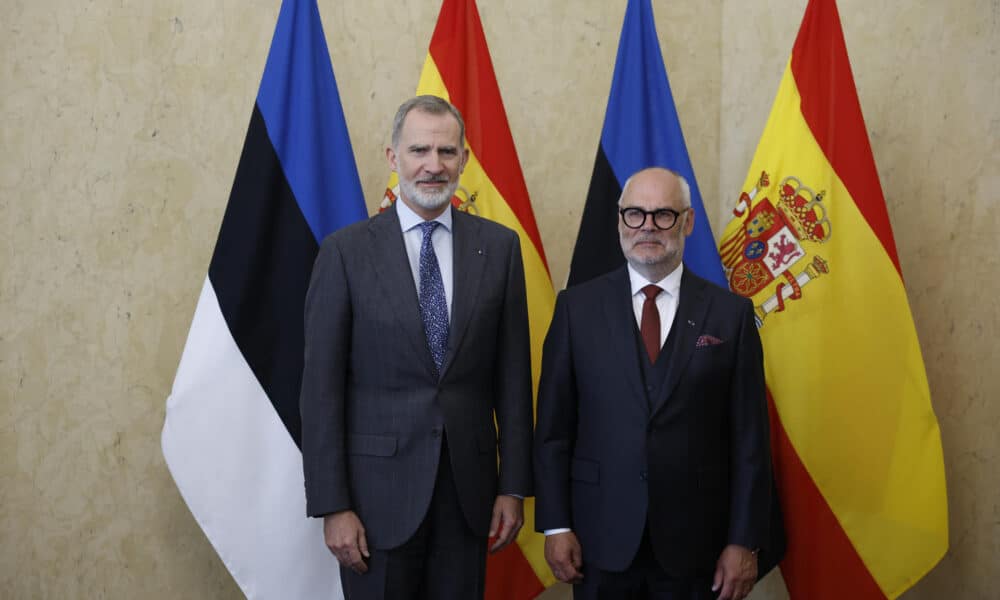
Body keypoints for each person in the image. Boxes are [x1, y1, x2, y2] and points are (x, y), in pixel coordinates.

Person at [300, 95, 534, 599]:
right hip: (372, 503)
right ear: (393, 158)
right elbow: (320, 392)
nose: (433, 165)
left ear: (464, 159)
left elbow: (513, 381)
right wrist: (332, 505)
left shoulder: (499, 249)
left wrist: (513, 488)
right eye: (419, 150)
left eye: (447, 152)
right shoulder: (345, 253)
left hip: (469, 499)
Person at [534, 167, 780, 600]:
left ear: (687, 222)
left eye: (663, 215)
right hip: (599, 541)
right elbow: (554, 431)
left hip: (697, 547)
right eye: (634, 214)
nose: (647, 226)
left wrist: (744, 540)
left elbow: (750, 441)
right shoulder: (576, 310)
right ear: (619, 221)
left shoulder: (731, 316)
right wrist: (556, 524)